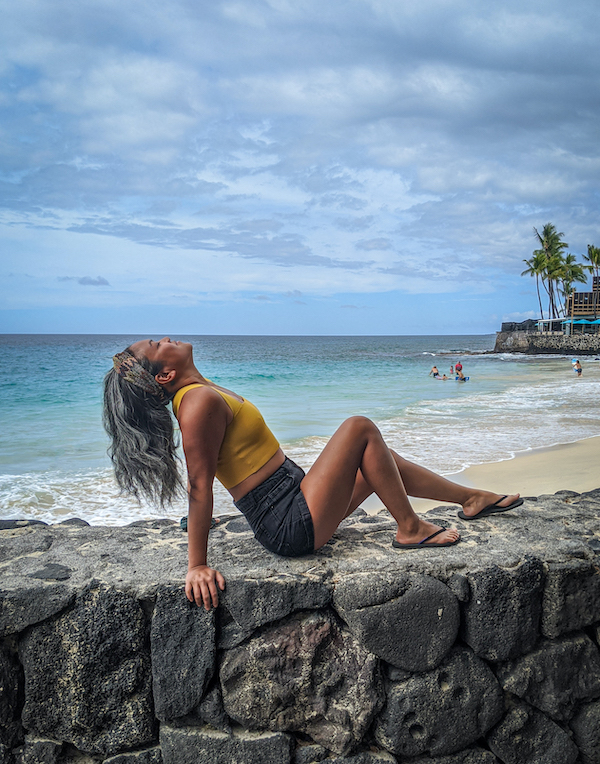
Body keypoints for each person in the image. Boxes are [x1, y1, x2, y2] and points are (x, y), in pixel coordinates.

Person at [103, 338, 522, 610]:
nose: (167, 337)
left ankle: (469, 499)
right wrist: (197, 565)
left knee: (380, 456)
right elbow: (199, 486)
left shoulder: (200, 391)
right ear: (165, 375)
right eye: (158, 344)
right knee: (359, 427)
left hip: (297, 498)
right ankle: (409, 528)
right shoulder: (194, 404)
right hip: (288, 524)